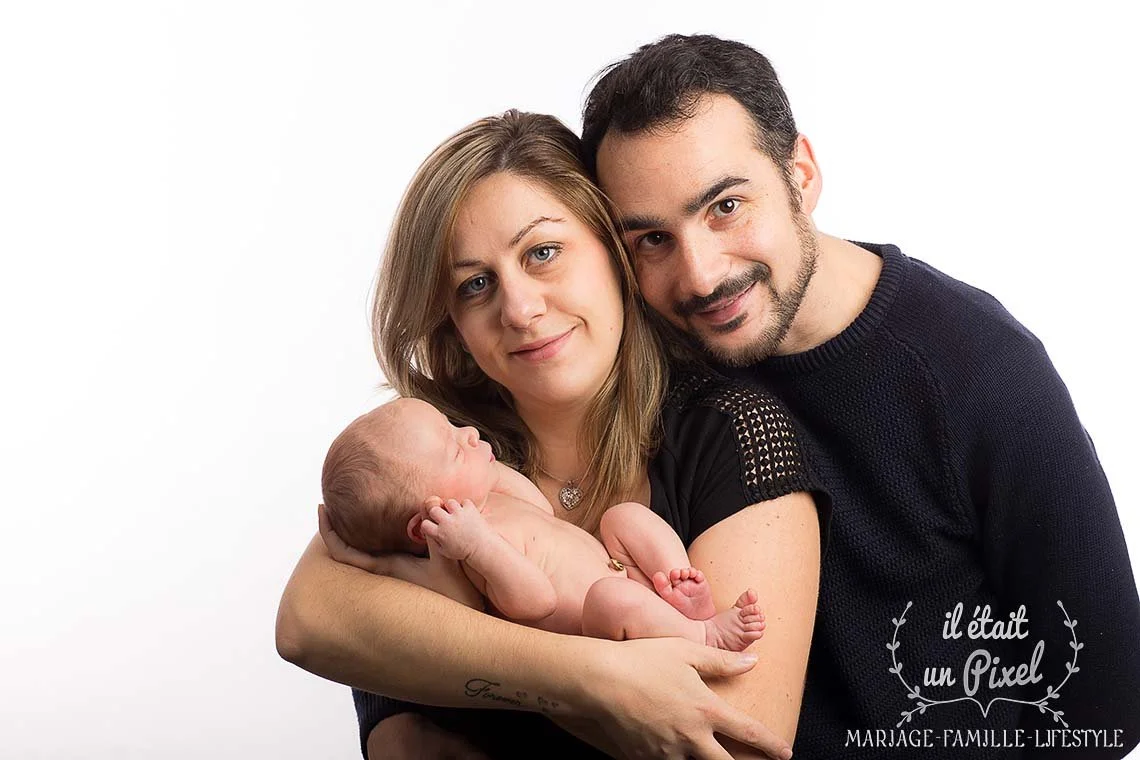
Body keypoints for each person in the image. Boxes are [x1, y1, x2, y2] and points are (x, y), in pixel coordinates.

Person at [578, 34, 1140, 758]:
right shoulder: (641, 363)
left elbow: (1108, 700)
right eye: (652, 239)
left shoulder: (980, 368)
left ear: (801, 175)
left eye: (725, 206)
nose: (700, 274)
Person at [277, 109, 828, 760]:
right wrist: (594, 679)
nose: (519, 309)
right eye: (475, 284)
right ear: (451, 320)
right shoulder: (432, 457)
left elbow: (733, 745)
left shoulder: (733, 431)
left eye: (543, 252)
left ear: (614, 249)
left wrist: (444, 640)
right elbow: (307, 623)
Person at [320, 397, 767, 649]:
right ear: (425, 525)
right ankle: (702, 633)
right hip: (604, 624)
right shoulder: (464, 555)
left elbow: (542, 509)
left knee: (622, 517)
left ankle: (676, 586)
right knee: (610, 598)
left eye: (454, 424)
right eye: (455, 447)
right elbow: (536, 601)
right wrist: (476, 546)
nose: (470, 433)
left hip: (620, 569)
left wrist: (486, 470)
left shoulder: (489, 499)